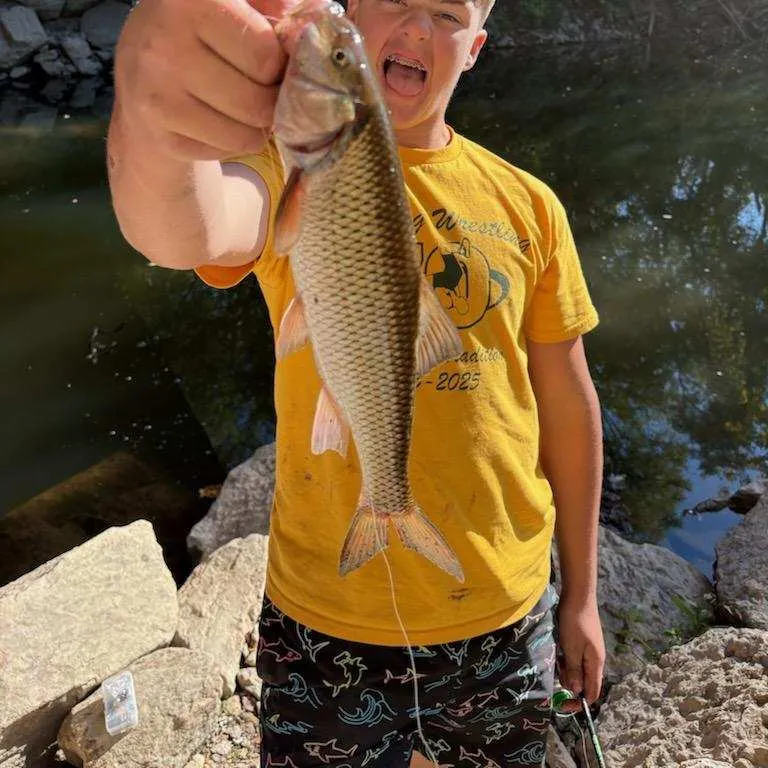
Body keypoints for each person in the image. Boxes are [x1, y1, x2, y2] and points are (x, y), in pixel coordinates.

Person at [108, 0, 606, 765]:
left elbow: (569, 409)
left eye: (446, 13)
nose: (414, 27)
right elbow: (188, 225)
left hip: (504, 613)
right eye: (392, 1)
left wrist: (581, 596)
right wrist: (152, 123)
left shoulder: (530, 205)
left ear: (474, 49)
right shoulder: (289, 168)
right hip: (323, 614)